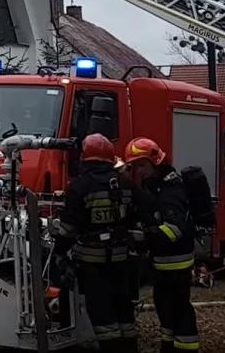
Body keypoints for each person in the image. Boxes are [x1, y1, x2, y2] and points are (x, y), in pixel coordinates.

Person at [51, 133, 138, 352]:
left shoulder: (80, 186)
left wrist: (59, 252)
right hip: (122, 259)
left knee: (102, 313)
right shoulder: (125, 183)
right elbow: (138, 214)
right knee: (124, 311)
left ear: (85, 159)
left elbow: (69, 228)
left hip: (92, 263)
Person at [123, 137, 199, 352]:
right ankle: (168, 344)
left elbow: (175, 229)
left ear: (155, 163)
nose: (139, 171)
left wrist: (143, 236)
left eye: (141, 165)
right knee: (164, 306)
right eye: (135, 167)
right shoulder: (155, 187)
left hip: (176, 263)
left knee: (179, 308)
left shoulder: (170, 192)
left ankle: (187, 347)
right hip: (163, 262)